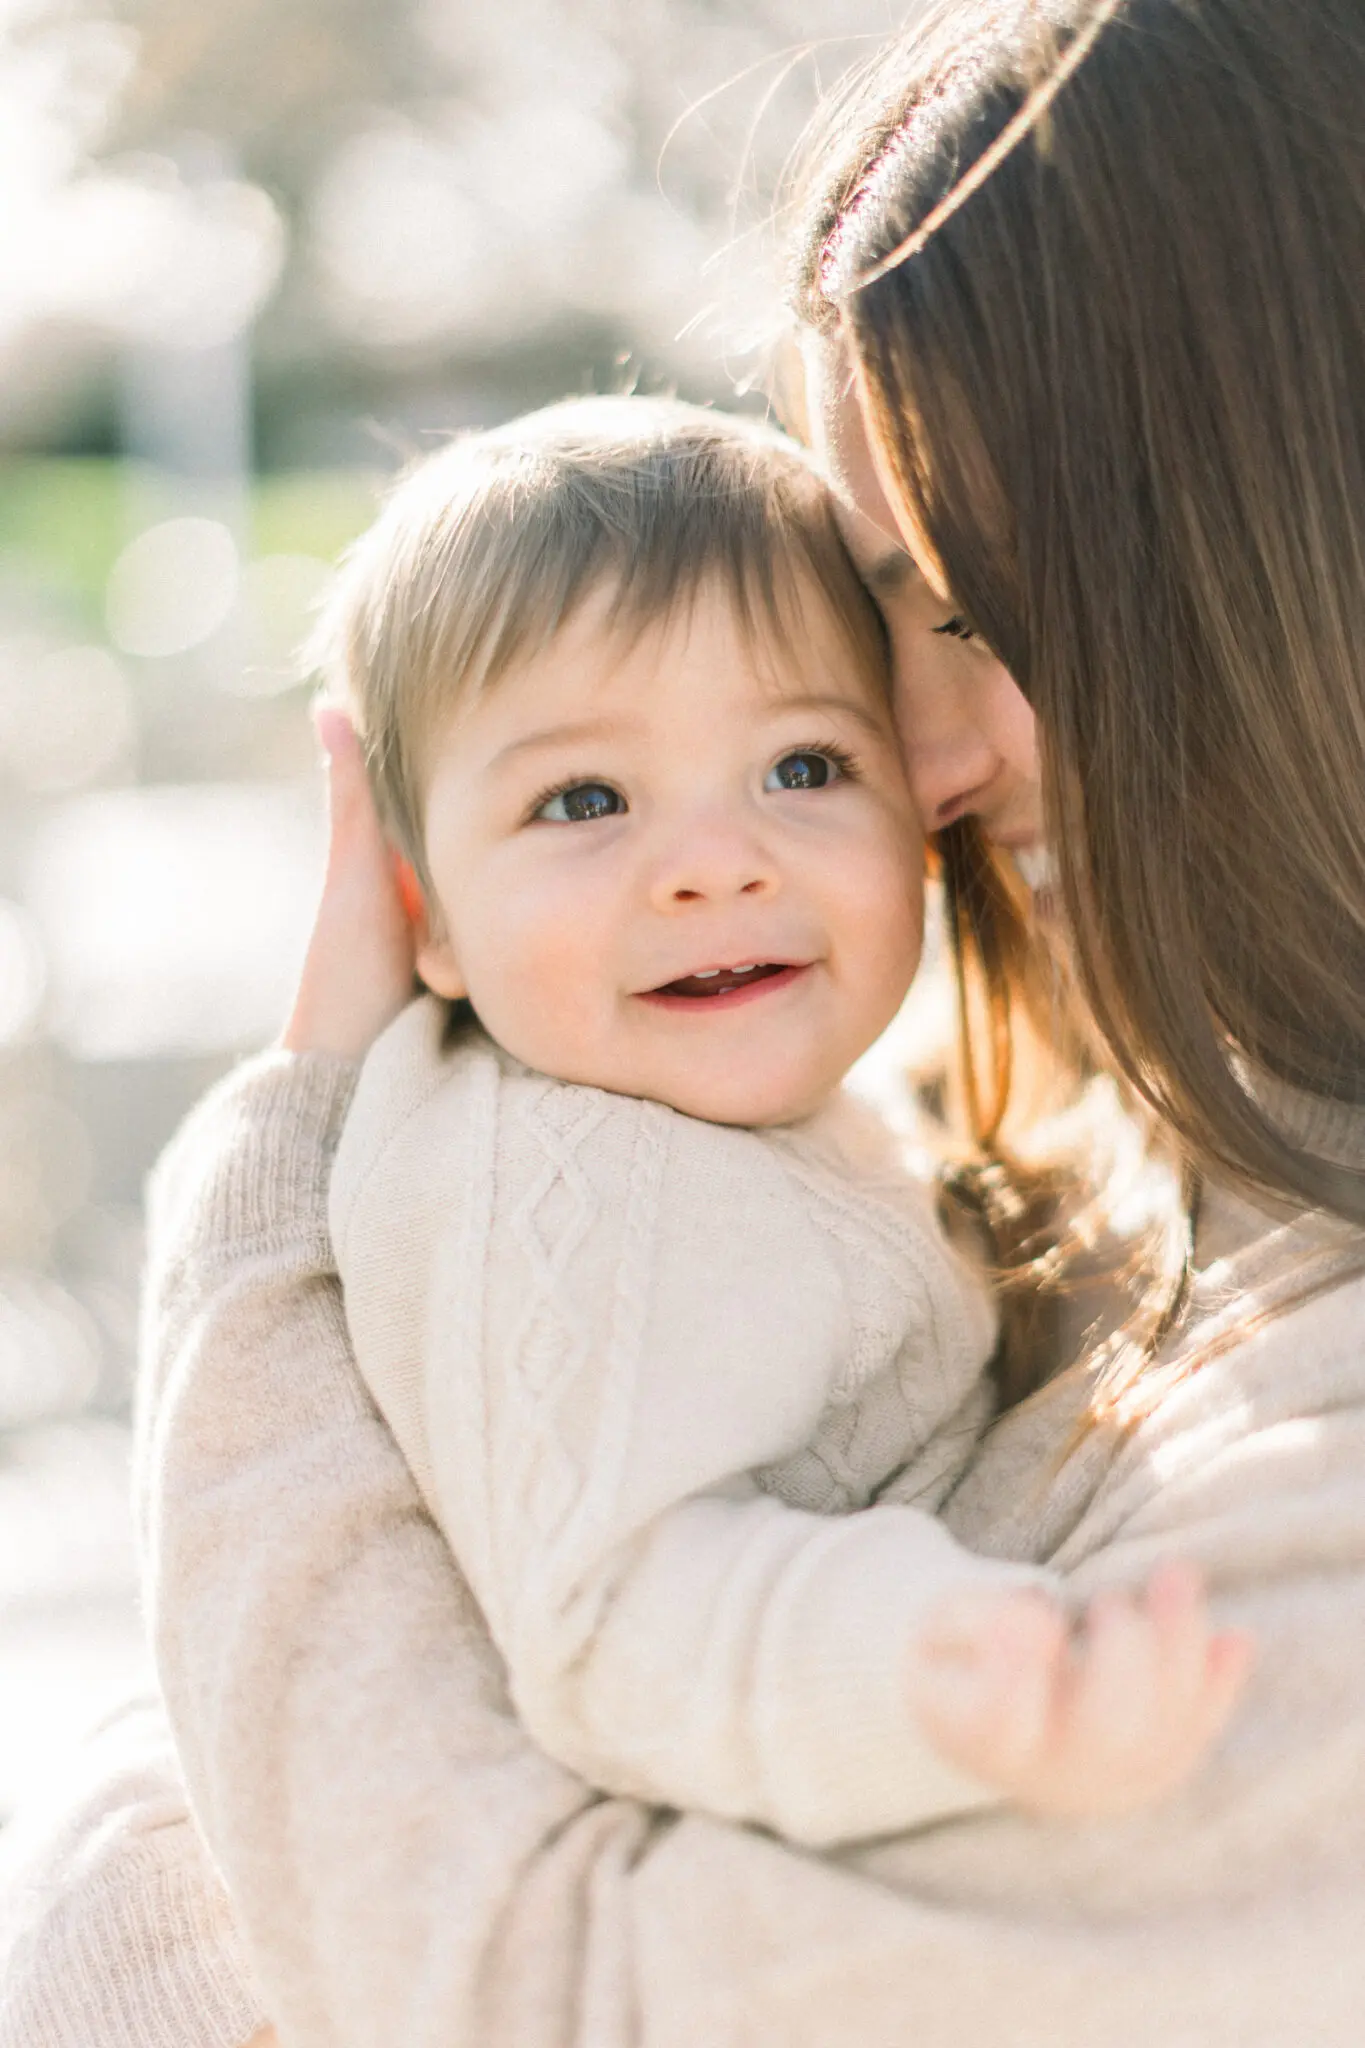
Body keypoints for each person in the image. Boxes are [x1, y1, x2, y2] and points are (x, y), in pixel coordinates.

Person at [5, 0, 1365, 2042]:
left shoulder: (1309, 1442)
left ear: (1276, 569)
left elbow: (551, 1997)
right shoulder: (1030, 1145)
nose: (906, 754)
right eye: (868, 614)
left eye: (975, 614)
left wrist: (265, 1231)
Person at [304, 392, 1242, 1847]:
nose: (716, 866)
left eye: (803, 768)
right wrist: (942, 1674)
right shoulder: (546, 1183)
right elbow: (623, 1612)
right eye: (586, 797)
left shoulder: (773, 1124)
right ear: (420, 910)